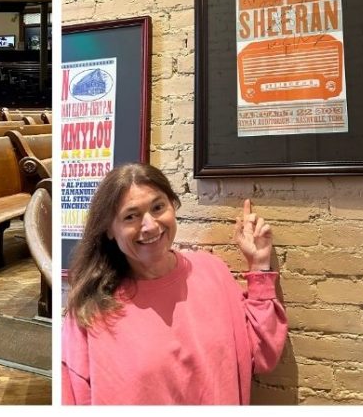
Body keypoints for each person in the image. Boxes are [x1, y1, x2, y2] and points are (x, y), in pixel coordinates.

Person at [62, 163, 287, 405]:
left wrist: (259, 266)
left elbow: (261, 354)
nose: (150, 225)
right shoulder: (90, 309)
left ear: (173, 206)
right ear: (109, 229)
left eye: (158, 207)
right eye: (131, 216)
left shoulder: (213, 272)